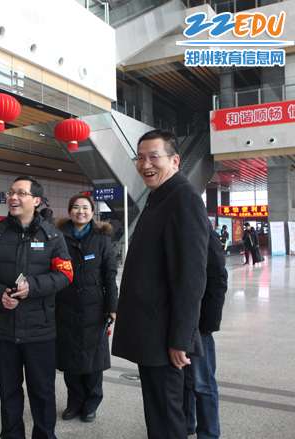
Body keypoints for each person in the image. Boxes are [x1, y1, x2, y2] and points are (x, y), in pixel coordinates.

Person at [112, 129, 209, 439]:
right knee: (161, 411)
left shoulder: (183, 199)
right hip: (153, 332)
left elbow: (191, 276)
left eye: (154, 157)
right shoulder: (160, 197)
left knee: (166, 414)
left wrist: (181, 338)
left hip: (165, 335)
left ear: (175, 160)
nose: (145, 164)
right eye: (140, 158)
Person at [0, 175, 73, 439]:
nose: (13, 197)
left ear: (36, 200)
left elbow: (65, 274)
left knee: (42, 390)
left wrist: (33, 287)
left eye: (21, 193)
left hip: (40, 329)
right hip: (3, 328)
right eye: (11, 192)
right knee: (8, 390)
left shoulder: (52, 236)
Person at [55, 194, 118, 423]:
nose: (80, 212)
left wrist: (112, 306)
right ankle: (74, 402)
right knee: (70, 358)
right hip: (65, 305)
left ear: (92, 212)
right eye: (75, 207)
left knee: (93, 359)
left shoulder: (102, 239)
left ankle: (92, 402)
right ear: (69, 211)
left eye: (85, 208)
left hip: (94, 308)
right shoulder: (58, 237)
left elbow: (110, 275)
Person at [184, 226, 228, 439]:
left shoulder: (205, 233)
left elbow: (218, 279)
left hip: (199, 324)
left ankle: (209, 433)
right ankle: (187, 423)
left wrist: (208, 322)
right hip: (179, 322)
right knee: (185, 380)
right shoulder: (178, 230)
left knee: (202, 381)